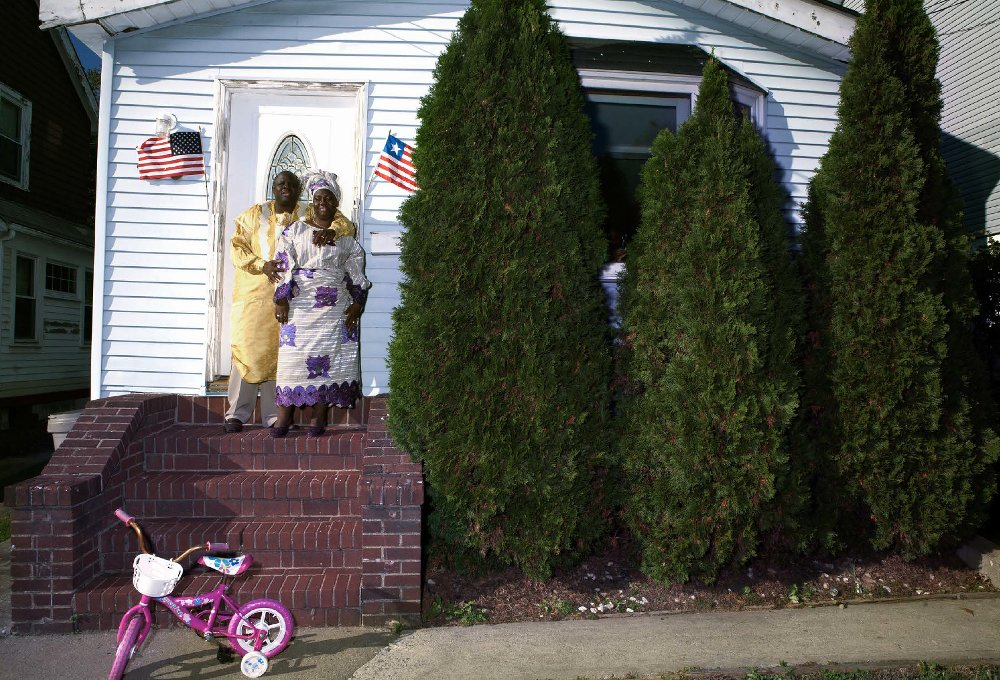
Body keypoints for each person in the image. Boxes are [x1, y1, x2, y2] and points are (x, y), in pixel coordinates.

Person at [224, 170, 355, 433]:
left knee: (283, 354)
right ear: (272, 187)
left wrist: (331, 232)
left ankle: (273, 415)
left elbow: (345, 225)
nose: (285, 188)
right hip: (256, 295)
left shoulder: (307, 212)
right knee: (248, 350)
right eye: (280, 184)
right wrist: (262, 265)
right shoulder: (254, 214)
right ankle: (236, 413)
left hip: (296, 299)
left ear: (298, 190)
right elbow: (237, 247)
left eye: (291, 185)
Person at [271, 170, 371, 437]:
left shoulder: (345, 238)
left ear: (335, 203)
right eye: (318, 199)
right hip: (300, 307)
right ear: (312, 202)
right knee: (292, 361)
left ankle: (318, 419)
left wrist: (357, 303)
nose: (323, 203)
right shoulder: (295, 230)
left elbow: (356, 273)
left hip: (335, 310)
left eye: (328, 199)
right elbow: (283, 262)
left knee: (330, 363)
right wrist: (281, 298)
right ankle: (283, 418)